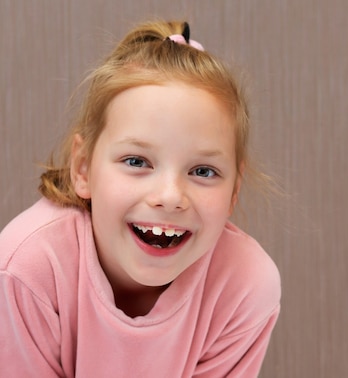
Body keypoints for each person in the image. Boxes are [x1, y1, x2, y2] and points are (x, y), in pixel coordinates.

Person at [0, 20, 281, 377]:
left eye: (203, 171)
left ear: (234, 191)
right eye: (137, 162)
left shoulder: (244, 284)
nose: (169, 197)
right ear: (83, 169)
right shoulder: (27, 268)